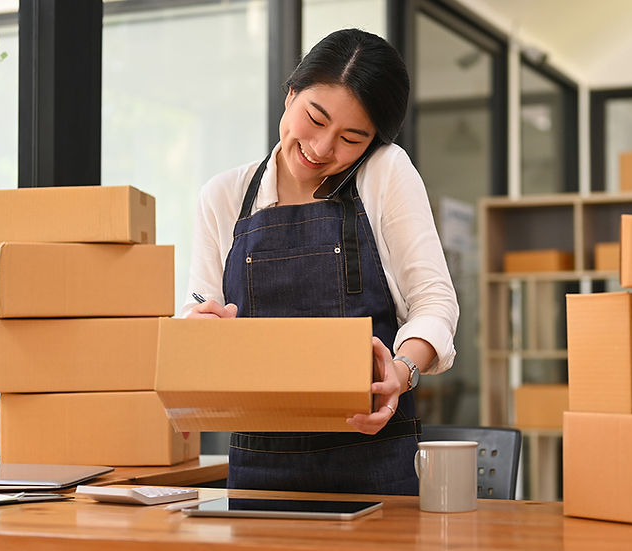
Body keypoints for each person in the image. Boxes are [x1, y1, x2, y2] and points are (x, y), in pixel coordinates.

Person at [183, 28, 459, 496]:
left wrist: (401, 370)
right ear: (290, 95)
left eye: (351, 138)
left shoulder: (385, 173)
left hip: (374, 455)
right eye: (315, 118)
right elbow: (194, 316)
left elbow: (434, 302)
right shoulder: (224, 196)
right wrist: (198, 325)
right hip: (258, 468)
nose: (323, 148)